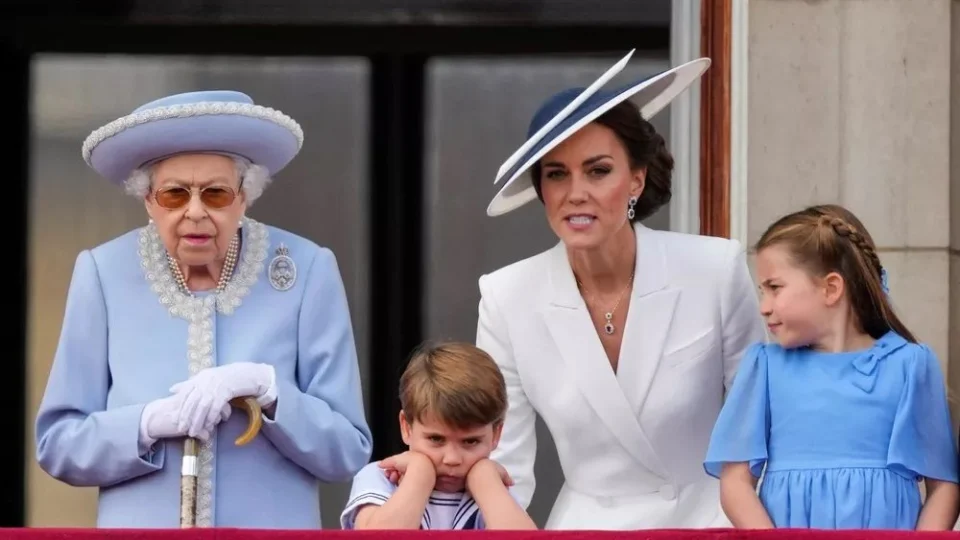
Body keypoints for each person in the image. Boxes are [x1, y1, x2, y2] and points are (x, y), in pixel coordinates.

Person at [34, 90, 373, 528]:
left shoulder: (307, 270)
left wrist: (269, 392)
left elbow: (346, 450)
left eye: (215, 194)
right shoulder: (102, 273)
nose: (195, 212)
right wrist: (147, 423)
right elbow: (58, 444)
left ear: (244, 198)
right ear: (148, 201)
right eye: (175, 194)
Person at [475, 50, 768, 529]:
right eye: (556, 174)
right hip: (587, 529)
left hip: (711, 522)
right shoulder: (506, 297)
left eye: (598, 170)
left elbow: (759, 430)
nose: (576, 193)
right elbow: (502, 463)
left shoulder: (714, 268)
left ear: (636, 178)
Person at [704, 204, 960, 530]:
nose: (764, 308)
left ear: (831, 288)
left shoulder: (911, 366)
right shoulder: (764, 369)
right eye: (761, 291)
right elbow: (736, 483)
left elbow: (943, 487)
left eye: (774, 288)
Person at [340, 341, 536, 530]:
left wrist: (486, 484)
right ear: (406, 427)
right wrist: (419, 476)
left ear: (496, 434)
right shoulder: (381, 478)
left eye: (470, 441)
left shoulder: (493, 488)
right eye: (436, 439)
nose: (452, 459)